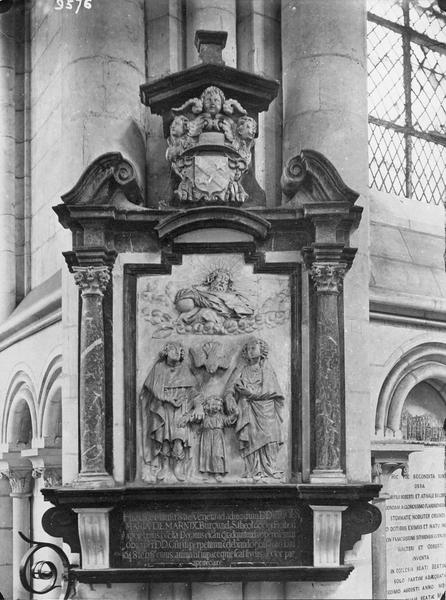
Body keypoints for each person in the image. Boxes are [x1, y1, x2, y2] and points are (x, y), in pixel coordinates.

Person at [224, 337, 284, 480]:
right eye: (248, 349)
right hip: (247, 410)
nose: (249, 351)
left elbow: (274, 391)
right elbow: (229, 389)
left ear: (261, 350)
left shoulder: (267, 370)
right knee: (251, 438)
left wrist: (250, 393)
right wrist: (230, 401)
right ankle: (254, 470)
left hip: (266, 409)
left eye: (253, 348)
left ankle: (270, 468)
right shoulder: (241, 370)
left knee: (270, 437)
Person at [139, 342, 200, 482]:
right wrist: (168, 399)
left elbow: (195, 392)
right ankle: (165, 466)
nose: (177, 351)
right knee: (164, 439)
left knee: (179, 438)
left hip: (181, 409)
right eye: (173, 349)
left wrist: (197, 406)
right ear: (166, 351)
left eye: (179, 349)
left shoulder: (185, 369)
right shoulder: (159, 368)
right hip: (162, 410)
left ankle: (177, 468)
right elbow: (152, 388)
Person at [174, 267, 253, 326]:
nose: (222, 281)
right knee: (205, 313)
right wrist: (184, 295)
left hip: (224, 322)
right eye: (220, 278)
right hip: (206, 320)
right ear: (212, 279)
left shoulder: (233, 297)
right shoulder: (199, 292)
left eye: (225, 280)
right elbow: (187, 301)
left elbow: (245, 310)